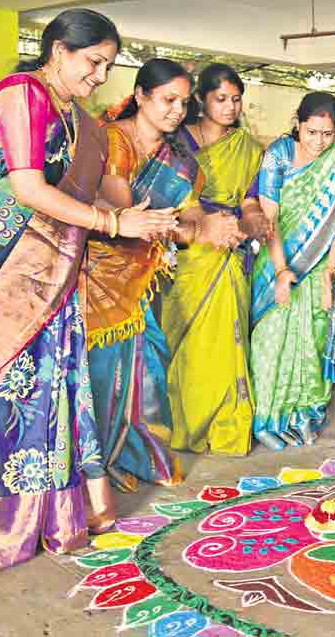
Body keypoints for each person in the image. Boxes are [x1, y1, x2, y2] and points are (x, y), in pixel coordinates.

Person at [0, 9, 177, 572]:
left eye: (108, 66)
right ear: (59, 50)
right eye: (95, 62)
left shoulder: (83, 120)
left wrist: (138, 218)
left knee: (50, 377)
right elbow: (26, 187)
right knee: (0, 383)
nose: (100, 75)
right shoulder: (22, 94)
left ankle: (49, 515)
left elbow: (93, 195)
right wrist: (115, 226)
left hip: (53, 259)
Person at [86, 59, 244, 493]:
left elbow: (192, 226)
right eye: (167, 99)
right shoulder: (113, 141)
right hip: (97, 281)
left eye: (182, 102)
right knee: (99, 376)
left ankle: (129, 455)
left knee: (147, 373)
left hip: (140, 285)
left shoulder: (181, 163)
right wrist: (196, 228)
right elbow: (126, 216)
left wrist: (214, 227)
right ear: (140, 96)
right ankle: (92, 465)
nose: (177, 110)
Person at [250, 92, 335, 450]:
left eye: (327, 134)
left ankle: (304, 416)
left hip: (318, 265)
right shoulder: (279, 155)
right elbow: (270, 220)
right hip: (276, 262)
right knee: (270, 342)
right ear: (297, 124)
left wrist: (330, 270)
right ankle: (269, 419)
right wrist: (283, 271)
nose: (319, 142)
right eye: (311, 132)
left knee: (311, 342)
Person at [162, 63, 267, 456]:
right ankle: (185, 426)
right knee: (185, 344)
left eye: (236, 99)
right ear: (202, 101)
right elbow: (166, 199)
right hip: (188, 251)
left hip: (229, 252)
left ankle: (226, 425)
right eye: (221, 98)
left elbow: (249, 201)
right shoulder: (177, 143)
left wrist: (254, 221)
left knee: (226, 343)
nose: (230, 107)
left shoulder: (247, 148)